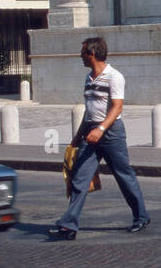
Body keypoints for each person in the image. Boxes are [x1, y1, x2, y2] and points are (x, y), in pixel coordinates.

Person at [50, 36, 149, 239]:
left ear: (92, 54)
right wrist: (78, 136)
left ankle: (141, 216)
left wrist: (101, 129)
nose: (80, 56)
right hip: (90, 132)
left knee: (123, 175)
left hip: (111, 132)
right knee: (79, 177)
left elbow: (117, 106)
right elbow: (89, 111)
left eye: (83, 52)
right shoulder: (88, 78)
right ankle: (69, 225)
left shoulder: (114, 76)